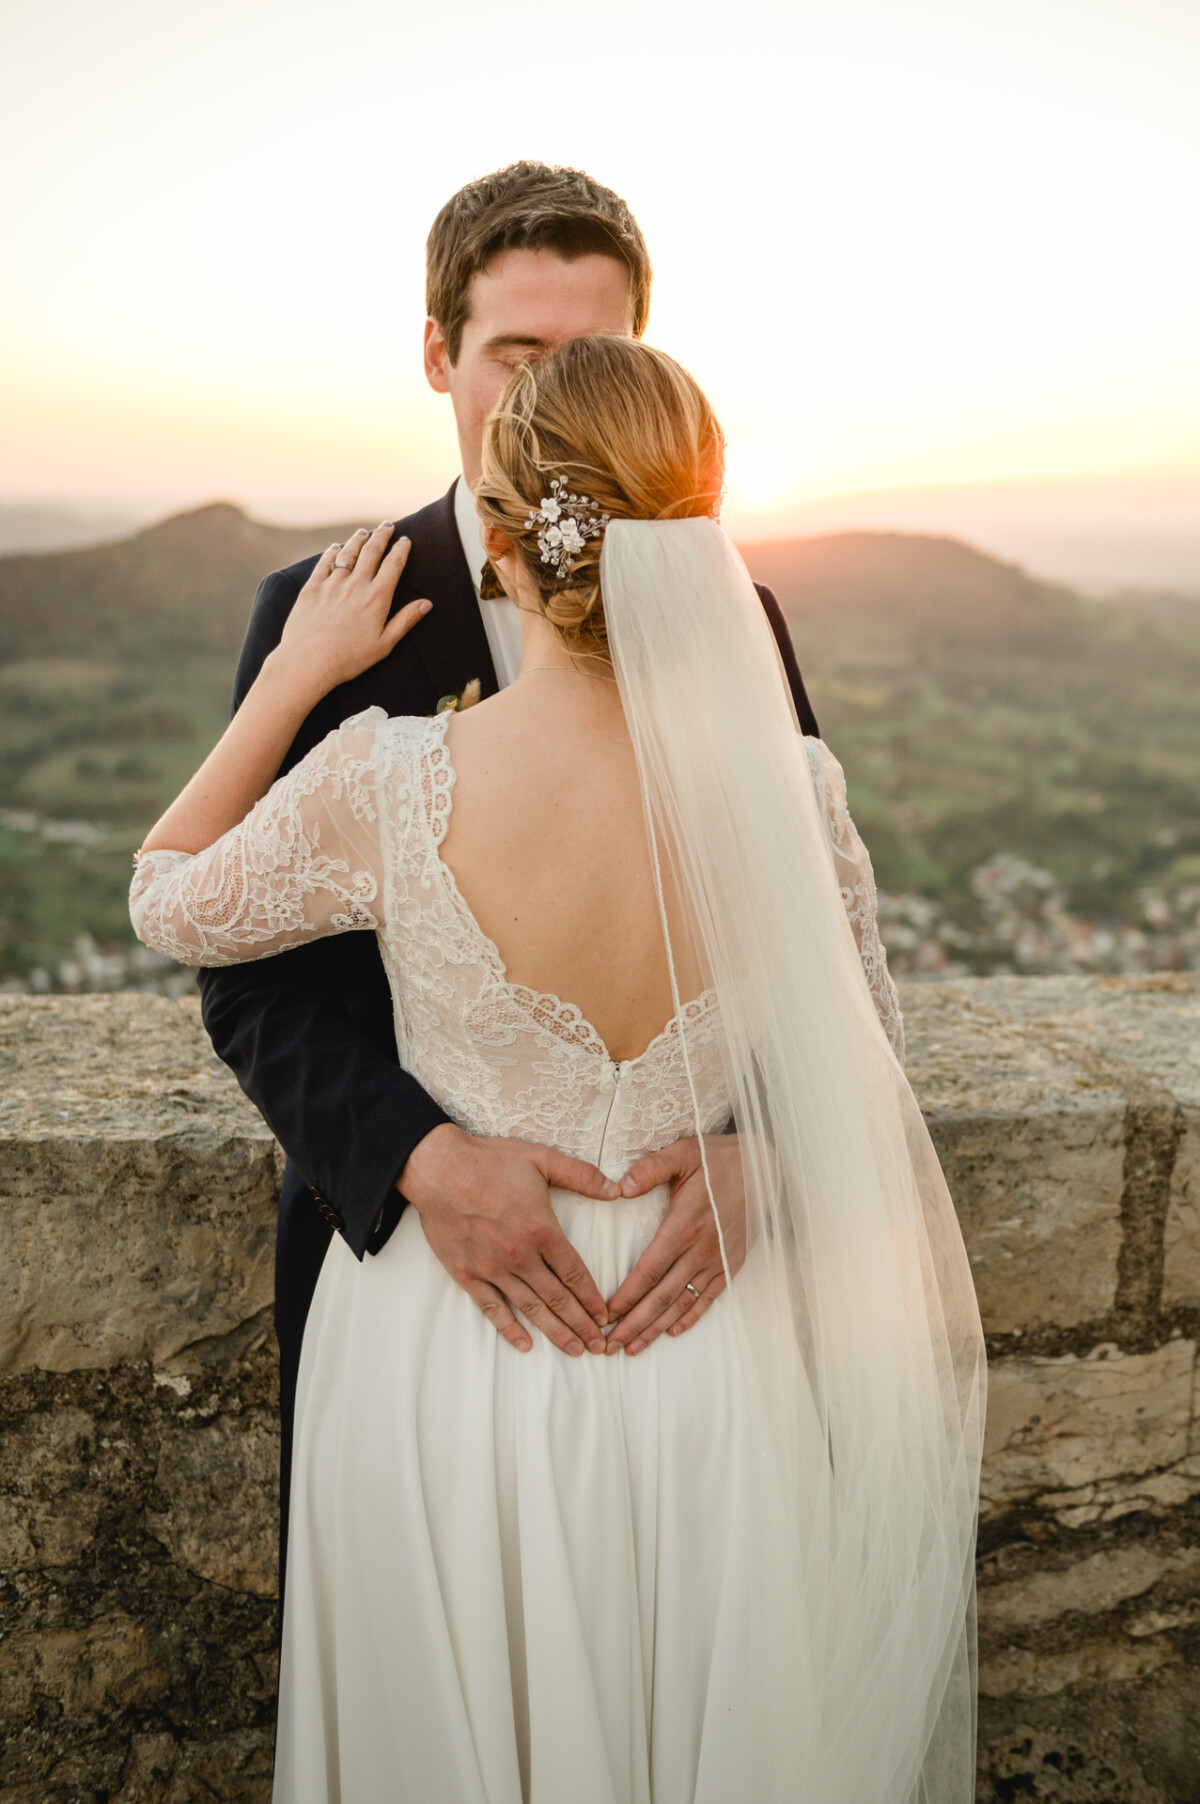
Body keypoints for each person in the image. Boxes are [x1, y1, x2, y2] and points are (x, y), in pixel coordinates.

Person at [132, 335, 984, 1802]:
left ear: (507, 546)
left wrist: (288, 682)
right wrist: (758, 1152)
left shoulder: (389, 780)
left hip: (448, 1345)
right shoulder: (796, 789)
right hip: (705, 1334)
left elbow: (169, 896)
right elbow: (861, 1044)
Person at [195, 163, 822, 1583]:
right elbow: (252, 977)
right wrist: (417, 1158)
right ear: (438, 355)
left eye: (590, 355)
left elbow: (796, 928)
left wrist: (769, 1151)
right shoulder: (319, 612)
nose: (544, 390)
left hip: (693, 1303)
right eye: (514, 354)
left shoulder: (740, 613)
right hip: (422, 1286)